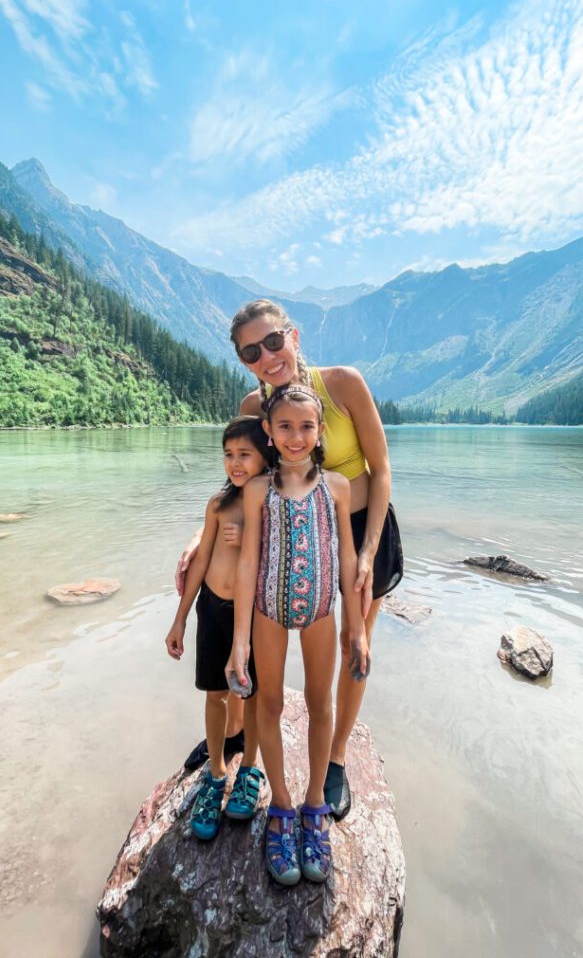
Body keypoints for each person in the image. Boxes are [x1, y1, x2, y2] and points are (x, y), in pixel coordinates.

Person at [177, 298, 402, 819]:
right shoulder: (254, 410)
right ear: (244, 361)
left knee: (354, 645)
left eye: (273, 341)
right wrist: (200, 536)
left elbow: (382, 468)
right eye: (251, 351)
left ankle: (338, 759)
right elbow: (240, 478)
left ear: (293, 336)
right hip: (284, 537)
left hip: (358, 529)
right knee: (256, 641)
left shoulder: (342, 383)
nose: (267, 356)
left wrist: (367, 551)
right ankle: (236, 737)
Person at [226, 384, 369, 885]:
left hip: (321, 611)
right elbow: (247, 563)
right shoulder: (258, 489)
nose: (295, 436)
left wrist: (357, 627)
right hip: (268, 607)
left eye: (306, 426)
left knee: (320, 702)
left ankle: (314, 804)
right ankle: (281, 807)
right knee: (267, 703)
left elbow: (348, 557)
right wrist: (239, 639)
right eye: (283, 426)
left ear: (320, 431)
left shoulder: (336, 487)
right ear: (267, 430)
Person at [165, 416, 271, 840]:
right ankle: (215, 774)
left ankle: (249, 771)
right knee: (216, 694)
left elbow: (276, 561)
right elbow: (200, 561)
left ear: (266, 456)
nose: (236, 463)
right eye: (229, 455)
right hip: (212, 608)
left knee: (255, 692)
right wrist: (180, 618)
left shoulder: (271, 503)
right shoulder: (216, 505)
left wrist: (247, 537)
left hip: (255, 614)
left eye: (245, 454)